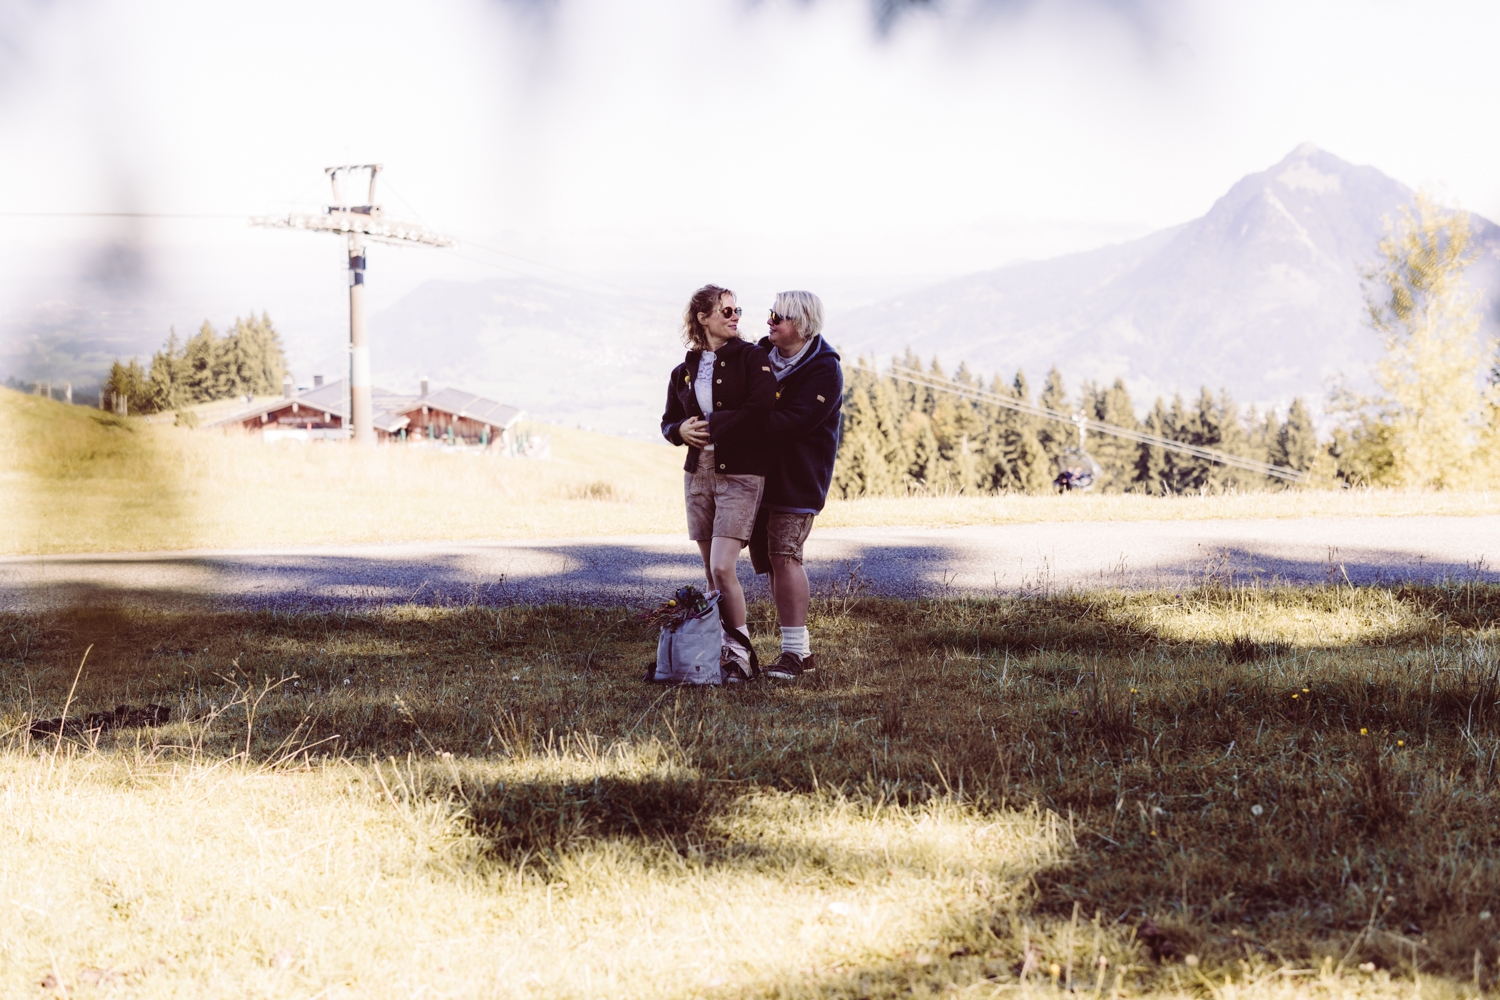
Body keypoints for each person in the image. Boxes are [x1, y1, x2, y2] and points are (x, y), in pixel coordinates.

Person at [661, 284, 777, 679]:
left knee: (723, 567)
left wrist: (713, 426)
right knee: (711, 574)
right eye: (724, 310)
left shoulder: (752, 357)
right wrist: (680, 430)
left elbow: (761, 409)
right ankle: (718, 651)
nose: (734, 316)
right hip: (698, 475)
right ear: (702, 318)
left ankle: (741, 652)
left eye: (735, 310)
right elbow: (667, 422)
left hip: (741, 473)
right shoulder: (686, 369)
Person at [749, 290, 843, 680]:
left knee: (785, 556)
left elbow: (795, 422)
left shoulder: (824, 368)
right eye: (770, 314)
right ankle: (800, 653)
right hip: (756, 476)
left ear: (802, 325)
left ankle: (791, 654)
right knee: (772, 561)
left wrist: (740, 423)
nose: (770, 321)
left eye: (779, 317)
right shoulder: (759, 356)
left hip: (798, 477)